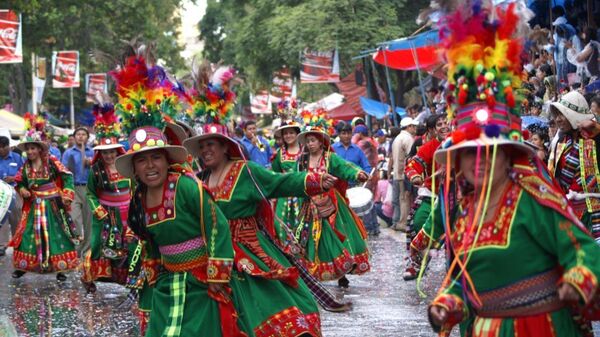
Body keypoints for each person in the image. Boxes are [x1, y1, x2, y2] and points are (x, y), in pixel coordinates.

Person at [425, 3, 600, 336]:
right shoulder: (462, 209)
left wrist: (577, 281)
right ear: (457, 161)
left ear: (508, 156)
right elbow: (461, 280)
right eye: (469, 154)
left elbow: (584, 250)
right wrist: (446, 302)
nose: (479, 161)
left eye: (490, 153)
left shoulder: (533, 197)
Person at [184, 121, 335, 336]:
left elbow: (279, 182)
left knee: (267, 304)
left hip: (249, 249)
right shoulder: (200, 180)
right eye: (203, 146)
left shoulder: (246, 171)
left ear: (226, 147)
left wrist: (314, 181)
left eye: (212, 144)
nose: (206, 150)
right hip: (213, 254)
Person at [294, 120, 370, 286]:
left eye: (313, 140)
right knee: (312, 239)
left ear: (321, 142)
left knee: (336, 234)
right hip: (310, 206)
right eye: (307, 141)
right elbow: (295, 179)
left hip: (332, 205)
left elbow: (345, 167)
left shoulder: (330, 158)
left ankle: (342, 272)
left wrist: (357, 174)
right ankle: (313, 272)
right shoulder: (302, 161)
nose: (310, 144)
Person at [10, 113, 79, 281]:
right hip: (34, 205)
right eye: (28, 149)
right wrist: (22, 189)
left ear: (40, 149)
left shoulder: (51, 161)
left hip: (53, 205)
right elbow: (18, 182)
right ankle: (23, 265)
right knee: (28, 233)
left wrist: (68, 194)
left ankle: (61, 267)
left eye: (33, 148)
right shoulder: (25, 166)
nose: (31, 151)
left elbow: (67, 176)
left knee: (58, 233)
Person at [80, 104, 132, 293]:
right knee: (97, 247)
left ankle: (130, 279)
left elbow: (135, 187)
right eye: (105, 152)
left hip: (127, 213)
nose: (109, 155)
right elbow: (90, 193)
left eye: (112, 151)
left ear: (118, 150)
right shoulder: (96, 171)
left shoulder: (127, 165)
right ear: (99, 153)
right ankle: (88, 276)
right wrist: (98, 210)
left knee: (128, 245)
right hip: (106, 215)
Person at [548, 91, 600, 241]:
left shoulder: (594, 138)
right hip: (568, 210)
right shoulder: (560, 142)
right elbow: (556, 178)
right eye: (555, 115)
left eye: (561, 115)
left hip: (594, 210)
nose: (557, 120)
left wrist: (595, 125)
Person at [62, 127, 94, 256]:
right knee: (74, 219)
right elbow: (63, 170)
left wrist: (90, 164)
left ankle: (86, 251)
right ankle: (76, 249)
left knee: (89, 221)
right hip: (74, 188)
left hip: (88, 188)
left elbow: (97, 170)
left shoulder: (92, 152)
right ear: (74, 137)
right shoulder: (69, 153)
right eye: (78, 134)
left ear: (87, 137)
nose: (81, 136)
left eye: (83, 134)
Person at [271, 120, 303, 246]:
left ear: (297, 134)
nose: (288, 136)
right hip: (283, 196)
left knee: (303, 223)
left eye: (291, 133)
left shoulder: (305, 150)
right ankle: (287, 255)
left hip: (302, 194)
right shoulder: (279, 153)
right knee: (280, 224)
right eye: (285, 134)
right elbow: (273, 174)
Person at [389, 117, 418, 232]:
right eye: (413, 126)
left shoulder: (398, 138)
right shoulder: (407, 139)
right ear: (409, 127)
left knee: (400, 199)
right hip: (403, 175)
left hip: (398, 173)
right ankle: (403, 223)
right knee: (405, 199)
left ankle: (397, 222)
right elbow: (411, 157)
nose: (415, 129)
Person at [0, 135, 24, 256]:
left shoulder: (17, 158)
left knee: (16, 217)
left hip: (15, 191)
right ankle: (2, 245)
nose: (0, 150)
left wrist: (13, 178)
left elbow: (24, 173)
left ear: (7, 147)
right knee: (2, 217)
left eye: (2, 148)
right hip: (1, 192)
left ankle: (18, 243)